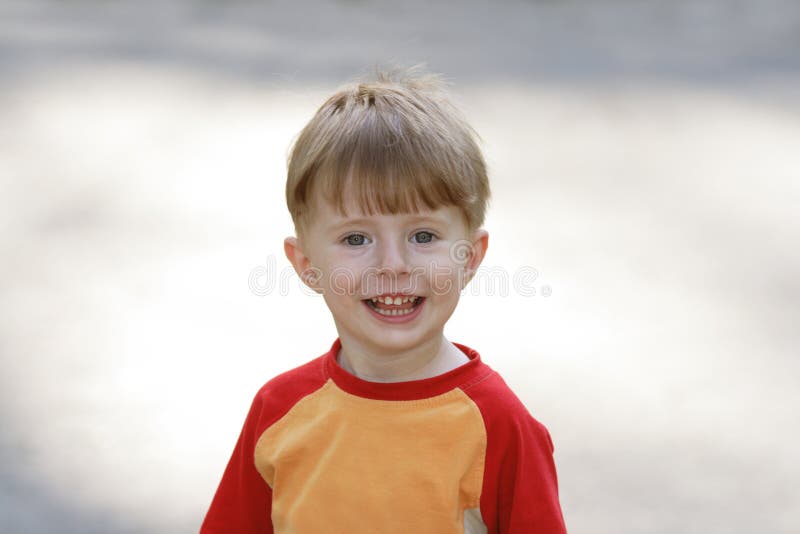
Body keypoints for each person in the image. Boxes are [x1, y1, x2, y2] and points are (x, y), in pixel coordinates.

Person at [201, 70, 567, 533]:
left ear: (470, 257)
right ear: (306, 263)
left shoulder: (498, 427)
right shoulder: (279, 410)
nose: (393, 264)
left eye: (423, 235)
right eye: (356, 238)